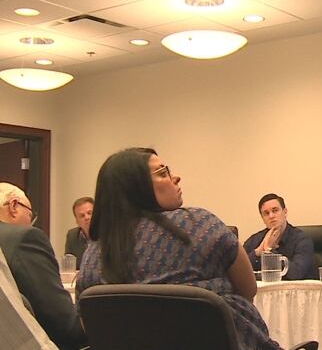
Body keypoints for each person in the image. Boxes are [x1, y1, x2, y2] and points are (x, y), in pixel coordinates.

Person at [76, 148, 283, 350]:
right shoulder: (200, 224)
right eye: (163, 172)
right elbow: (248, 288)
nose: (176, 177)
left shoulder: (92, 255)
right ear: (138, 187)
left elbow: (91, 326)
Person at [0, 182, 87, 350]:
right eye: (30, 214)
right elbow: (64, 324)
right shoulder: (24, 238)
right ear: (14, 206)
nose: (31, 222)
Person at [243, 193, 317, 280]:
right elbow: (240, 271)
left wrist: (269, 252)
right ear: (262, 218)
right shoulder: (254, 240)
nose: (271, 216)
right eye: (266, 213)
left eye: (275, 210)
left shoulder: (302, 239)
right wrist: (259, 251)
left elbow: (296, 274)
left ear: (285, 212)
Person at [64, 196, 93, 269]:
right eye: (82, 216)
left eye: (90, 213)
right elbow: (69, 267)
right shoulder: (72, 236)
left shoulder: (108, 235)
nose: (87, 217)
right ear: (77, 221)